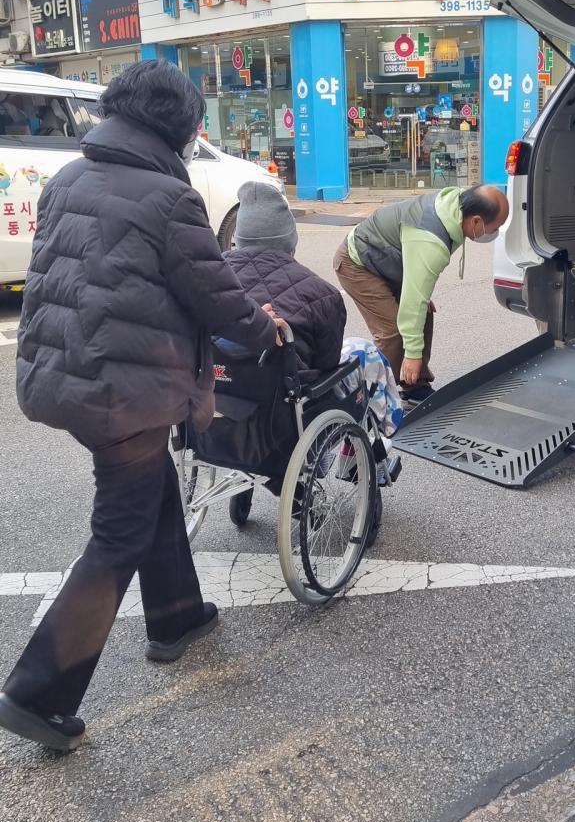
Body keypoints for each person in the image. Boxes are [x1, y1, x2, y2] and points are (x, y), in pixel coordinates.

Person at [0, 60, 282, 754]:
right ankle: (37, 693)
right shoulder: (168, 197)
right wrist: (265, 329)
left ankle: (177, 615)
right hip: (124, 393)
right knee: (119, 532)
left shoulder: (70, 177)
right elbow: (217, 297)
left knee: (152, 495)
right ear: (176, 123)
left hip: (62, 375)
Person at [199, 181, 347, 483]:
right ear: (290, 239)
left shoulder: (203, 283)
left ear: (238, 238)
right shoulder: (322, 293)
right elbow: (328, 365)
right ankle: (365, 466)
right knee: (363, 362)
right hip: (282, 426)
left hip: (210, 415)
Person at [333, 184, 508, 397]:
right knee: (393, 330)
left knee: (422, 312)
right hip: (358, 263)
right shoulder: (430, 239)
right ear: (476, 221)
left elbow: (417, 291)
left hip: (387, 262)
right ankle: (374, 396)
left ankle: (415, 386)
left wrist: (419, 297)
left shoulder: (455, 204)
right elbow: (413, 303)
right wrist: (413, 354)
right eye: (495, 227)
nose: (495, 233)